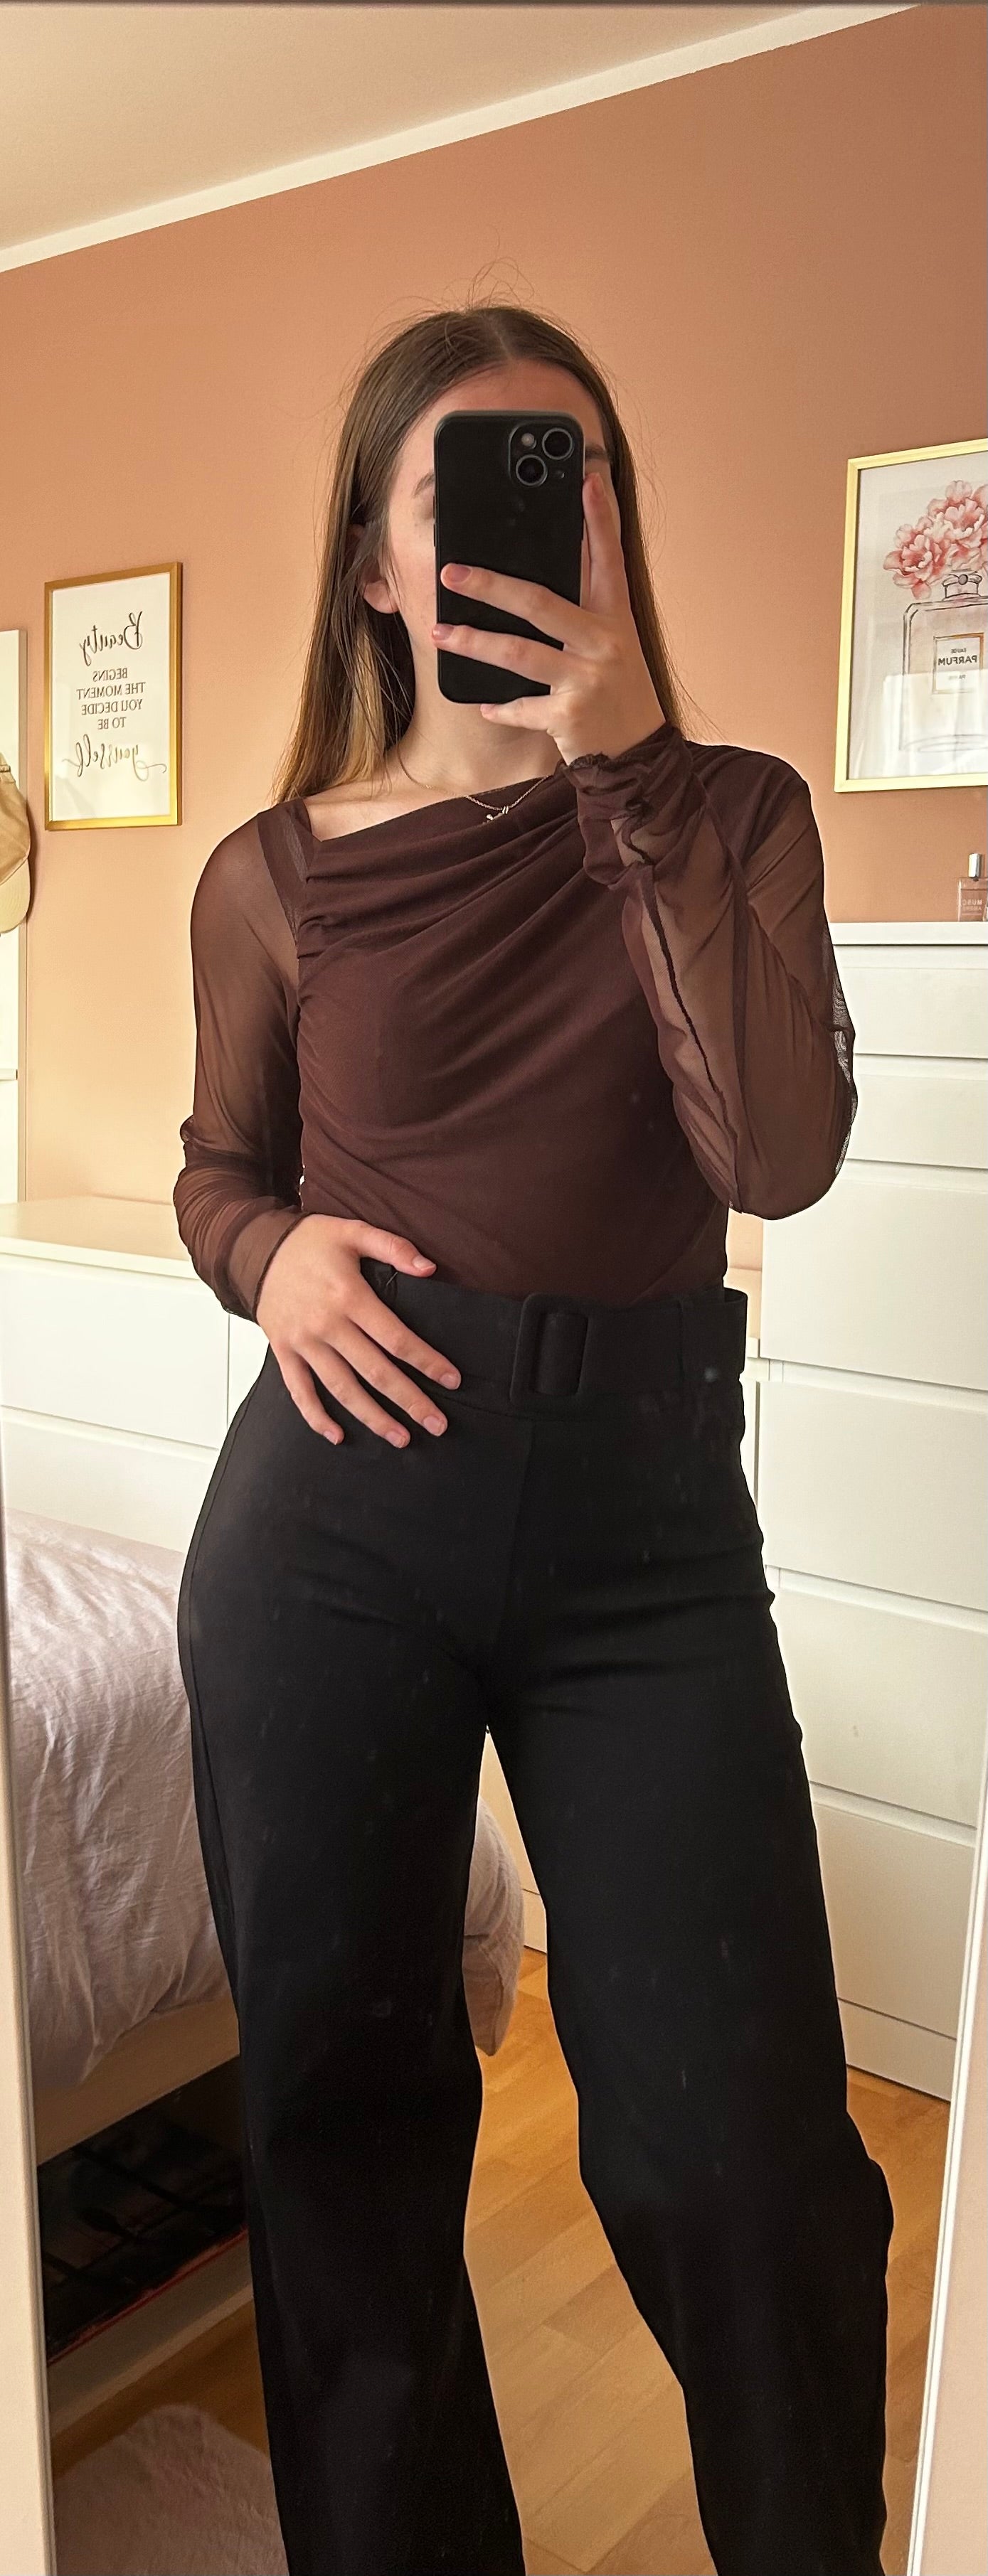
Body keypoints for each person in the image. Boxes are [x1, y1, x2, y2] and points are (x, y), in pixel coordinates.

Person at [174, 299, 894, 2576]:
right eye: (471, 488)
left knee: (739, 2156)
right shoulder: (272, 872)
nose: (532, 526)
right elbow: (216, 1165)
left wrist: (630, 772)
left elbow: (773, 1154)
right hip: (331, 1525)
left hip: (644, 1533)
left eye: (571, 477)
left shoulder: (730, 810)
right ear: (375, 562)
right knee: (343, 2128)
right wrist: (269, 1256)